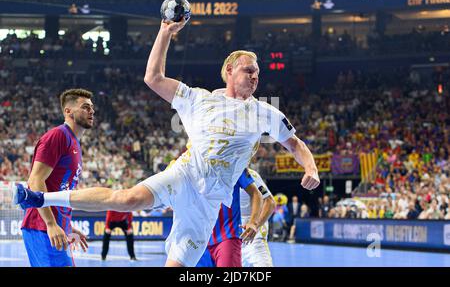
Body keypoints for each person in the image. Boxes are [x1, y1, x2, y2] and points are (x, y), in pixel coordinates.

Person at [14, 18, 320, 267]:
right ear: (229, 71)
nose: (255, 77)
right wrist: (164, 32)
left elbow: (295, 144)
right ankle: (41, 199)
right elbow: (153, 77)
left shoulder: (264, 112)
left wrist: (311, 168)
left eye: (258, 73)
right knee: (128, 199)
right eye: (248, 71)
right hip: (184, 175)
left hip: (208, 204)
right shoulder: (199, 99)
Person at [18, 89, 92, 267]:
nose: (91, 111)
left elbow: (60, 189)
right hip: (42, 227)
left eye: (92, 108)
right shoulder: (58, 136)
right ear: (68, 111)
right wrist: (51, 224)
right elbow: (36, 180)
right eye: (85, 107)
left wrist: (67, 226)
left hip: (56, 228)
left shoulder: (74, 143)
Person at [196, 168, 263, 267]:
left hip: (227, 235)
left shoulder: (235, 163)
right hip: (198, 239)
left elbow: (256, 193)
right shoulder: (192, 163)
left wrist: (253, 222)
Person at [241, 169, 276, 267]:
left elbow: (270, 202)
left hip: (255, 236)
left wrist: (255, 225)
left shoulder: (251, 175)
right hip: (233, 235)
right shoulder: (224, 176)